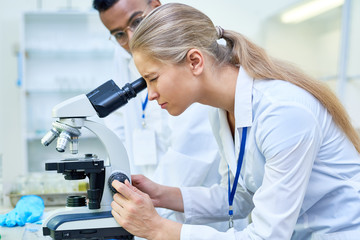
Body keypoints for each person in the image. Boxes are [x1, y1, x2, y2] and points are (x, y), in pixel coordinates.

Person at [109, 3, 360, 239]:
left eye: (152, 78)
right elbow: (240, 198)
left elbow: (266, 237)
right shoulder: (221, 112)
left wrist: (159, 228)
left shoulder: (281, 112)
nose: (150, 94)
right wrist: (161, 195)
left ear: (195, 61)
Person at [92, 0, 248, 231]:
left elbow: (191, 152)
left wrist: (153, 221)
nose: (131, 38)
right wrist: (148, 196)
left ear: (155, 5)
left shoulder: (213, 97)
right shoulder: (124, 56)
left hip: (205, 221)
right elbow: (243, 199)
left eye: (136, 21)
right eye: (118, 34)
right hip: (163, 206)